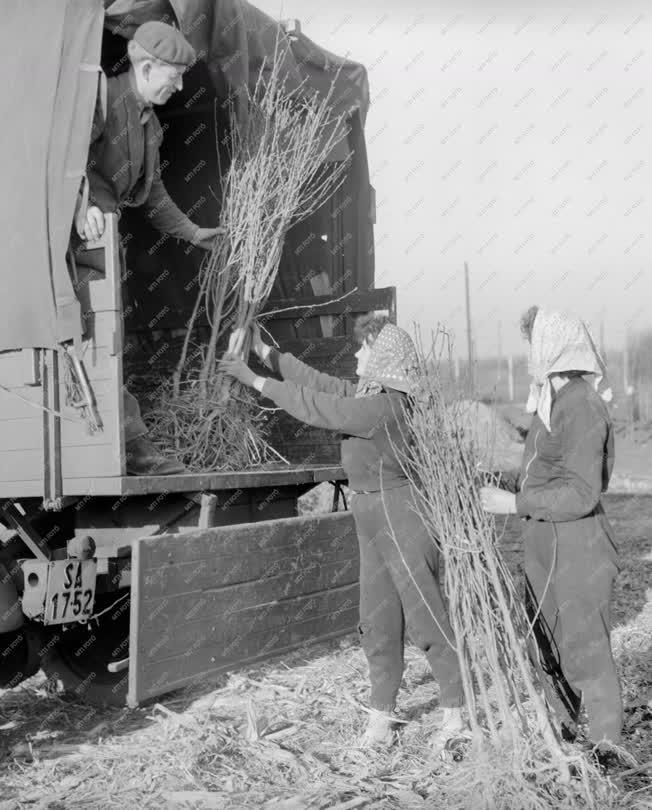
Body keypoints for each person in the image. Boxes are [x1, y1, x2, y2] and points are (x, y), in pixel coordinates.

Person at [219, 316, 465, 751]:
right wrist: (268, 355)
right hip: (370, 514)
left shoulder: (389, 407)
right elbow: (321, 385)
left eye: (363, 348)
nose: (355, 356)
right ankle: (382, 714)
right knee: (377, 620)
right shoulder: (371, 395)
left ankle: (455, 711)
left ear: (384, 357)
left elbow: (320, 407)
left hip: (402, 514)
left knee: (425, 616)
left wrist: (255, 381)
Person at [71, 21, 223, 475]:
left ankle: (116, 446)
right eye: (173, 75)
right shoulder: (98, 96)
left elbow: (153, 195)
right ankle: (133, 449)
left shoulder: (150, 126)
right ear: (147, 65)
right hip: (71, 241)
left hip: (104, 243)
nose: (178, 86)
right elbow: (64, 156)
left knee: (107, 341)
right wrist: (79, 205)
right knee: (94, 340)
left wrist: (194, 233)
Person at [479, 306, 623, 759]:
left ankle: (605, 744)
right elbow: (547, 472)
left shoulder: (581, 403)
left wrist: (514, 503)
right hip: (545, 539)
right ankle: (565, 726)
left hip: (577, 543)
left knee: (584, 643)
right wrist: (504, 483)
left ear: (554, 348)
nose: (527, 356)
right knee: (550, 639)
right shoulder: (550, 401)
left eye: (531, 344)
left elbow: (582, 491)